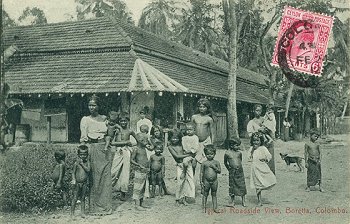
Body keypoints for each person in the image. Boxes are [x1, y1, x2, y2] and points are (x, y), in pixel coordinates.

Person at [80, 94, 112, 215]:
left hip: (104, 149)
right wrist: (83, 152)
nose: (91, 107)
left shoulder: (105, 118)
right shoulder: (85, 119)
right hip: (92, 149)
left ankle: (105, 207)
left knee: (105, 178)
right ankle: (94, 208)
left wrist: (107, 143)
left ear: (98, 106)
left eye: (94, 105)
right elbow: (83, 138)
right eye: (90, 105)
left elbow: (109, 134)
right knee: (94, 178)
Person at [110, 112, 137, 201]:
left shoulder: (130, 131)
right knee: (113, 170)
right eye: (121, 121)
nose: (123, 123)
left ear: (128, 121)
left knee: (125, 172)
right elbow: (113, 143)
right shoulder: (117, 130)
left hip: (126, 151)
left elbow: (138, 140)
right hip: (118, 151)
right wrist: (125, 142)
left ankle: (123, 192)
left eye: (125, 121)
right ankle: (109, 189)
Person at [168, 130, 195, 205]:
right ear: (170, 138)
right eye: (173, 138)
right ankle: (177, 199)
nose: (174, 140)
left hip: (187, 164)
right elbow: (177, 156)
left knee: (188, 181)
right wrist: (188, 155)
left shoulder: (182, 144)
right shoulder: (170, 147)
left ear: (180, 138)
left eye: (176, 138)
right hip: (180, 165)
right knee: (180, 182)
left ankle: (184, 198)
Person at [249, 132, 276, 206]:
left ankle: (262, 188)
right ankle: (259, 200)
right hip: (255, 168)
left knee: (271, 179)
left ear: (261, 141)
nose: (256, 142)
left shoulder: (263, 148)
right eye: (254, 140)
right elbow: (249, 158)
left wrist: (265, 159)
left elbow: (269, 156)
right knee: (257, 184)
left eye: (257, 140)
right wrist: (252, 152)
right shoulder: (251, 148)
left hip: (263, 167)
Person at [247, 104, 275, 174]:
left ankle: (270, 174)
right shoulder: (251, 122)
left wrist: (267, 130)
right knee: (260, 159)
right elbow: (250, 134)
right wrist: (258, 131)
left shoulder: (265, 119)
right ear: (253, 111)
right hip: (259, 144)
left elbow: (271, 128)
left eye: (260, 111)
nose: (258, 112)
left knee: (269, 157)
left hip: (268, 142)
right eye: (257, 110)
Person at [224, 138, 247, 207]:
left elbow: (240, 161)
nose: (238, 147)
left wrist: (238, 167)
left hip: (240, 171)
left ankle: (243, 201)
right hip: (232, 171)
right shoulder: (227, 153)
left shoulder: (239, 153)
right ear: (231, 145)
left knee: (242, 185)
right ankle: (232, 201)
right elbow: (225, 163)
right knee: (232, 186)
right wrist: (229, 169)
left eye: (238, 145)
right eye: (236, 145)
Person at [191, 98, 215, 164]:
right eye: (200, 107)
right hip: (196, 141)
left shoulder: (209, 119)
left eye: (204, 107)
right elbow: (191, 129)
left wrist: (211, 144)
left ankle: (204, 174)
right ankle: (192, 174)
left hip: (206, 141)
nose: (202, 109)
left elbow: (212, 132)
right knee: (193, 160)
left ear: (207, 108)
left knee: (206, 161)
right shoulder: (194, 117)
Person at [131, 133, 151, 210]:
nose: (147, 142)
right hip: (139, 171)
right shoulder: (136, 149)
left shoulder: (144, 148)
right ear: (140, 140)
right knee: (138, 188)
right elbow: (132, 160)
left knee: (143, 187)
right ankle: (137, 205)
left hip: (144, 171)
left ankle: (141, 203)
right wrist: (139, 165)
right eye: (145, 140)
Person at [150, 125, 171, 195]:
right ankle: (151, 191)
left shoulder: (162, 139)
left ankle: (163, 190)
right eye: (155, 131)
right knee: (151, 176)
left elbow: (163, 148)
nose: (156, 132)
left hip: (159, 156)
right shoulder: (152, 139)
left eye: (158, 131)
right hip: (152, 155)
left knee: (160, 176)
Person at [71, 145, 91, 218]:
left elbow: (88, 170)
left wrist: (82, 164)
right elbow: (73, 172)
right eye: (81, 154)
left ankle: (82, 213)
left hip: (84, 183)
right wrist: (73, 179)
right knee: (75, 198)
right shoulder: (76, 163)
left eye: (85, 154)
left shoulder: (87, 162)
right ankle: (72, 213)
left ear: (87, 155)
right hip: (77, 183)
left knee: (83, 198)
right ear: (78, 155)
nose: (83, 156)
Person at [200, 145, 221, 213]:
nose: (209, 155)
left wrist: (214, 167)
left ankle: (215, 207)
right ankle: (204, 207)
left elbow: (219, 171)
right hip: (206, 181)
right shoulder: (204, 163)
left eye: (211, 154)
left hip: (214, 181)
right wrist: (201, 181)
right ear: (205, 154)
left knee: (214, 194)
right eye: (207, 154)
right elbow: (201, 173)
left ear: (214, 154)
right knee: (205, 194)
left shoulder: (216, 162)